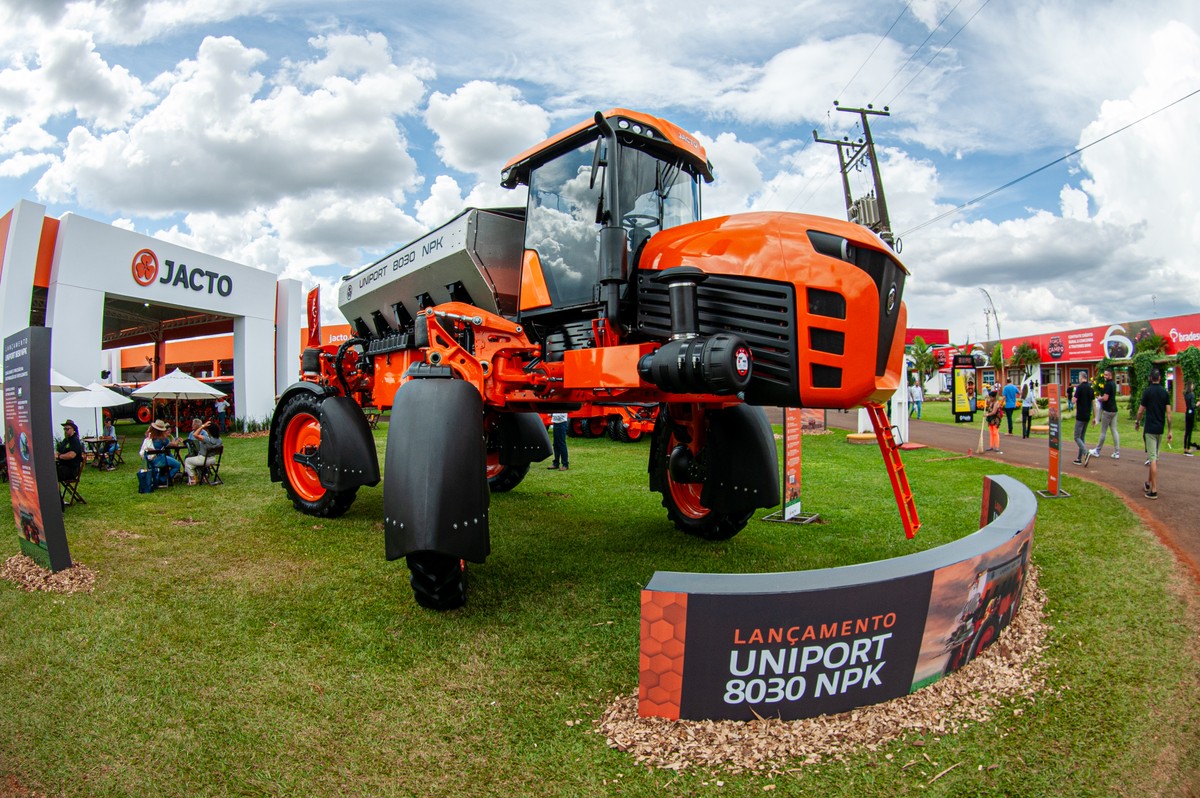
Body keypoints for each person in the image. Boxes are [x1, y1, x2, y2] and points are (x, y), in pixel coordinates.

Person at [1134, 369, 1172, 499]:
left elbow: (1140, 411)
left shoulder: (1148, 392)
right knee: (1154, 457)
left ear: (1151, 378)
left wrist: (1137, 421)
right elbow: (1169, 414)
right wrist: (1170, 430)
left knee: (1152, 459)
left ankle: (1154, 490)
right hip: (1160, 429)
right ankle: (1148, 483)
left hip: (1150, 429)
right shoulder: (1164, 393)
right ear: (1160, 378)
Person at [1090, 367, 1121, 460]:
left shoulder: (1108, 385)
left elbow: (1106, 398)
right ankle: (1117, 452)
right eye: (1104, 374)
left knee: (1103, 431)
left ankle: (1097, 450)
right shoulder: (1114, 384)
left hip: (1107, 410)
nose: (1105, 376)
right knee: (1114, 431)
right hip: (1114, 410)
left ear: (1111, 375)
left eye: (1106, 375)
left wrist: (1100, 398)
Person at [139, 419, 181, 484]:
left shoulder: (149, 437)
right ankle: (163, 479)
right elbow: (174, 445)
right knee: (177, 465)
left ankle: (158, 478)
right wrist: (178, 440)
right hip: (160, 460)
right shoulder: (162, 439)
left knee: (168, 460)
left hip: (149, 461)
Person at [183, 417, 222, 485]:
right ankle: (202, 476)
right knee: (194, 461)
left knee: (187, 460)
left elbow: (195, 435)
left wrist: (203, 426)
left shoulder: (207, 439)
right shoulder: (219, 440)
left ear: (209, 431)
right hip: (213, 459)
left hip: (204, 459)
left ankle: (193, 480)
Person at [1072, 372, 1095, 466]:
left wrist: (1074, 394)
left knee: (1076, 436)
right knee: (1082, 437)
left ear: (1081, 378)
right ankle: (1079, 458)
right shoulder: (1090, 388)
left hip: (1080, 415)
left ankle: (1086, 453)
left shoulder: (1079, 388)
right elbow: (1094, 403)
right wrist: (1094, 417)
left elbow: (1073, 401)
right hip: (1087, 416)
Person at [985, 389, 1003, 453]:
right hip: (990, 419)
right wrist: (986, 399)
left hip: (995, 420)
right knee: (991, 433)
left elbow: (994, 412)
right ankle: (991, 446)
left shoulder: (996, 403)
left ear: (994, 397)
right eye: (990, 397)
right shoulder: (991, 402)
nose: (990, 398)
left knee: (995, 433)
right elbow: (987, 403)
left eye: (991, 397)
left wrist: (987, 414)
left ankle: (997, 447)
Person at [1183, 380, 1196, 456]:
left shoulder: (1185, 394)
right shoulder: (1192, 394)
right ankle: (1188, 449)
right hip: (1191, 413)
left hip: (1187, 412)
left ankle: (1185, 448)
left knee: (1186, 431)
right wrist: (1197, 404)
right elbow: (1192, 405)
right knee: (1190, 431)